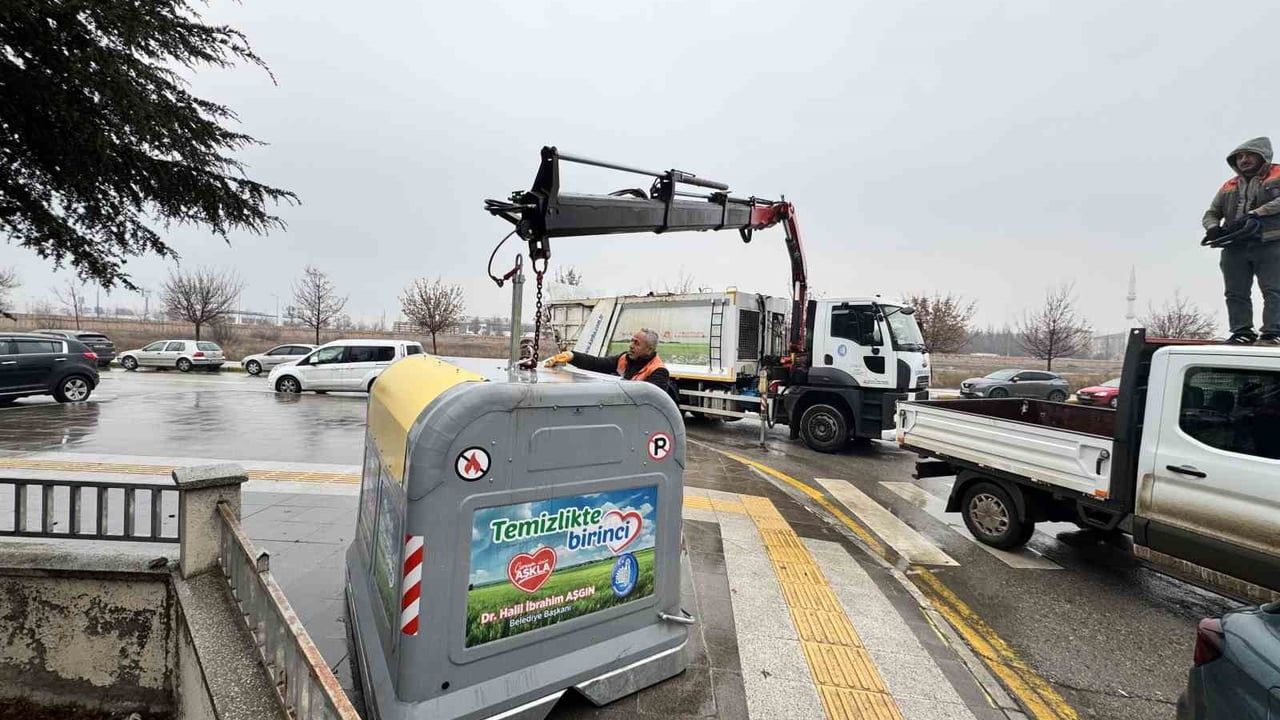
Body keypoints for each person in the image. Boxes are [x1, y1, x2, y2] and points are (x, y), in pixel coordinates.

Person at [1202, 137, 1280, 345]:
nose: (1243, 160)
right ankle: (1242, 332)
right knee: (1235, 292)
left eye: (1249, 155)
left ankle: (1273, 333)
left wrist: (1256, 213)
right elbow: (1211, 212)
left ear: (1263, 156)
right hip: (1235, 245)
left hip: (1271, 242)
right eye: (1239, 157)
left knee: (1274, 289)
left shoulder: (1278, 174)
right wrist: (1213, 228)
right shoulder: (1229, 185)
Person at [544, 328, 675, 395]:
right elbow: (597, 364)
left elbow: (650, 400)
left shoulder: (658, 372)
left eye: (637, 343)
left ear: (649, 349)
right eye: (631, 341)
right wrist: (572, 356)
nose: (631, 345)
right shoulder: (624, 359)